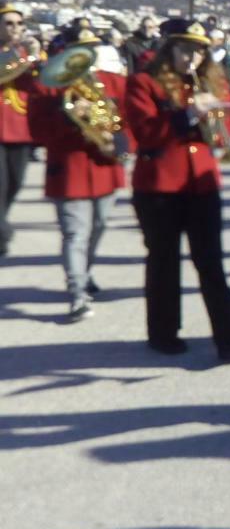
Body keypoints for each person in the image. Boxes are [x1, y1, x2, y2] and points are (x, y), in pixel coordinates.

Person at [125, 18, 230, 359]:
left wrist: (219, 118)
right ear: (168, 50)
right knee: (164, 262)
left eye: (199, 52)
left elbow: (221, 137)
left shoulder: (211, 83)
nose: (192, 59)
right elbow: (146, 133)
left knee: (210, 262)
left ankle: (229, 335)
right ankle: (163, 332)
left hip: (202, 184)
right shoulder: (143, 83)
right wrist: (186, 115)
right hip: (159, 186)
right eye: (185, 50)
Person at [30, 24, 133, 320]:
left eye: (91, 50)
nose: (87, 56)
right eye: (81, 50)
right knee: (75, 233)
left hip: (104, 166)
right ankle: (77, 295)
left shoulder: (111, 83)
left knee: (98, 227)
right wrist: (70, 116)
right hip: (69, 169)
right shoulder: (47, 86)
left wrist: (120, 144)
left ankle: (84, 273)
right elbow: (38, 131)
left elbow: (123, 121)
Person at [0, 0, 40, 258]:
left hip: (21, 129)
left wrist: (38, 55)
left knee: (15, 184)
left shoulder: (28, 53)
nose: (15, 28)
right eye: (9, 23)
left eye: (19, 23)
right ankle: (2, 235)